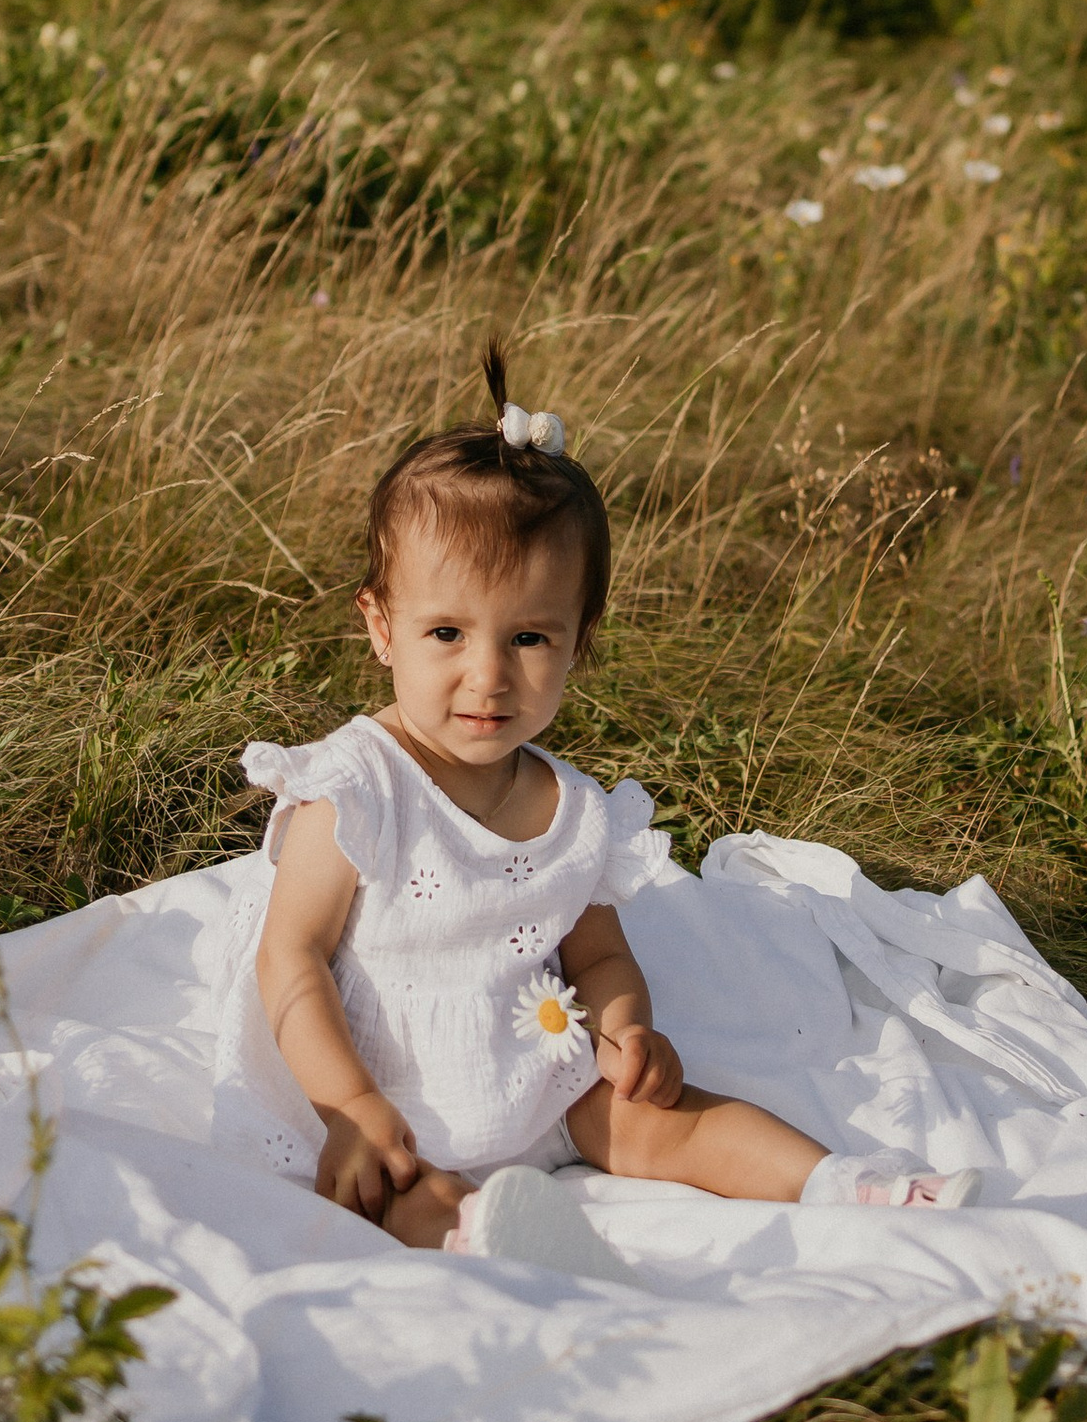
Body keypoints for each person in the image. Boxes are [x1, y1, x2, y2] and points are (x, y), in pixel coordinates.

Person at [247, 348, 973, 1248]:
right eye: (446, 632)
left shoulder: (574, 811)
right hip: (384, 1089)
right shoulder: (358, 785)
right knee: (392, 1190)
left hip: (541, 1078)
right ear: (381, 626)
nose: (489, 675)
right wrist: (349, 1103)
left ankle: (846, 1184)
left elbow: (597, 960)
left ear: (579, 641)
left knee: (669, 1119)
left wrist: (628, 1028)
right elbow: (293, 957)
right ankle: (485, 1237)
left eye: (529, 638)